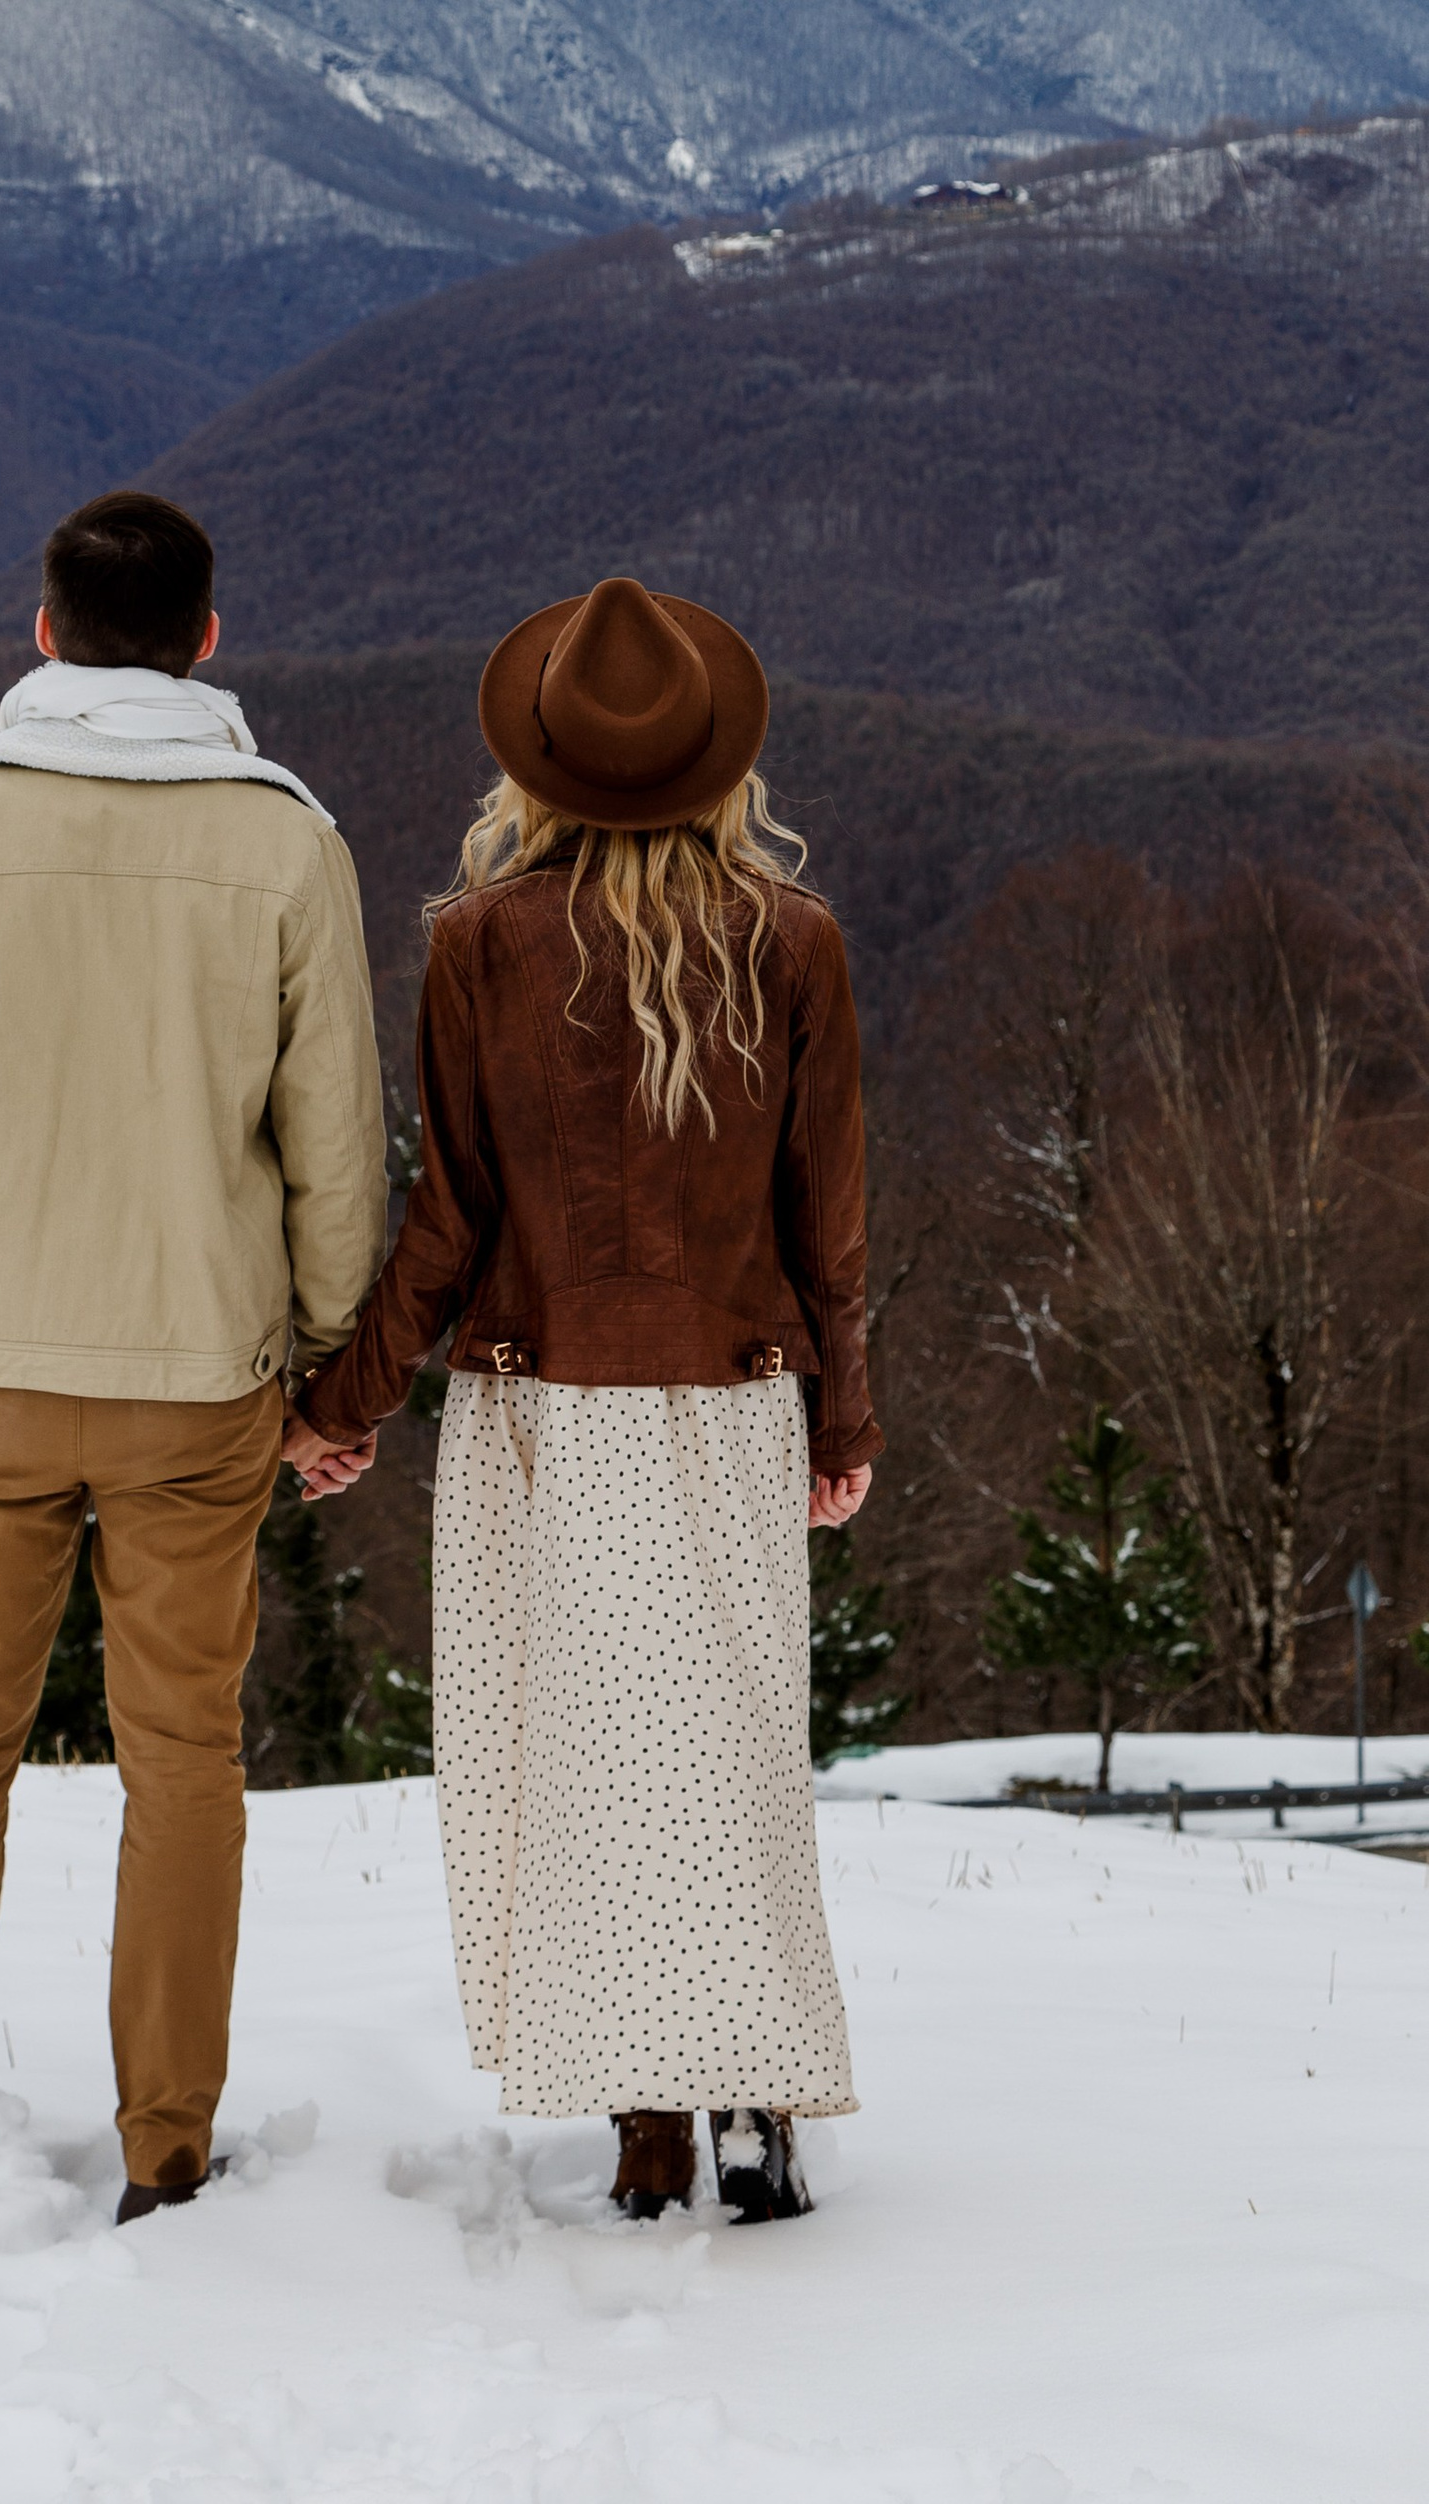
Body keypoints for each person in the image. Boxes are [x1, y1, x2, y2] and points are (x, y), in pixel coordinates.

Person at [0, 489, 388, 2220]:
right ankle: (165, 2144)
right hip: (203, 1378)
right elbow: (339, 1145)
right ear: (209, 640)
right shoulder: (290, 849)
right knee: (184, 1759)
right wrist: (324, 1353)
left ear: (45, 634)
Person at [285, 573, 878, 2226]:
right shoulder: (798, 944)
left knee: (592, 1780)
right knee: (735, 1759)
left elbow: (450, 1218)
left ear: (535, 770)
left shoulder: (477, 947)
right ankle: (755, 2097)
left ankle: (645, 2128)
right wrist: (846, 1426)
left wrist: (345, 1401)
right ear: (719, 763)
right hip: (736, 1402)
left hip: (541, 1417)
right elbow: (826, 1224)